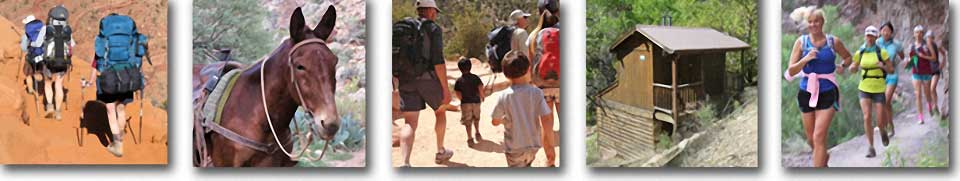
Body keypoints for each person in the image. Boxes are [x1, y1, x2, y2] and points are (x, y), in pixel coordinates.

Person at [785, 8, 853, 167]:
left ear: (822, 22)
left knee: (818, 137)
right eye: (810, 22)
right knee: (812, 140)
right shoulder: (801, 42)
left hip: (828, 91)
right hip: (807, 91)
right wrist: (805, 59)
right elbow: (791, 70)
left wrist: (843, 66)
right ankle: (823, 159)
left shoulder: (833, 42)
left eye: (816, 21)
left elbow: (848, 57)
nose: (813, 24)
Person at [397, 0, 453, 167]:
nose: (435, 15)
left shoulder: (405, 28)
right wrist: (445, 89)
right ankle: (440, 151)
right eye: (435, 11)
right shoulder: (433, 29)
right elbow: (438, 61)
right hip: (428, 79)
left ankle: (405, 163)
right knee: (440, 111)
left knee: (409, 122)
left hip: (406, 79)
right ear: (429, 10)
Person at [490, 51, 551, 167]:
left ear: (505, 74)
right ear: (529, 69)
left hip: (514, 148)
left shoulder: (504, 96)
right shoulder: (537, 93)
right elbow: (546, 117)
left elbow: (495, 121)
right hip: (533, 145)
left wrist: (504, 120)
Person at [848, 26, 892, 158]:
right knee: (867, 116)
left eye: (872, 36)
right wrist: (852, 68)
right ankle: (871, 147)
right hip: (864, 87)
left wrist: (883, 66)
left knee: (879, 121)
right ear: (865, 37)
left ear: (876, 37)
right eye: (867, 35)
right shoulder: (860, 52)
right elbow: (853, 67)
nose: (869, 38)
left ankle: (883, 131)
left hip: (879, 88)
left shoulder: (881, 52)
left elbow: (891, 70)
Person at [40, 5, 75, 120]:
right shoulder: (67, 29)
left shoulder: (46, 29)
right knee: (59, 85)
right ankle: (58, 111)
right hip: (63, 62)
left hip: (48, 62)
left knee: (48, 83)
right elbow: (72, 45)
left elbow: (38, 43)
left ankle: (50, 106)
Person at [876, 21, 903, 137]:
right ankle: (888, 125)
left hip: (892, 75)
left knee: (886, 100)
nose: (885, 33)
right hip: (879, 75)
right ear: (880, 31)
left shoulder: (896, 44)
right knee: (883, 103)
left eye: (888, 30)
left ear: (891, 32)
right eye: (883, 30)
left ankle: (888, 126)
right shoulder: (877, 42)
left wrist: (896, 61)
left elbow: (902, 56)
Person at [906, 25, 936, 124]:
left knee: (927, 93)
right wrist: (909, 61)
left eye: (921, 32)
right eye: (917, 32)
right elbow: (910, 59)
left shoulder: (927, 45)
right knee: (918, 94)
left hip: (926, 72)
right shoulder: (911, 46)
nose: (919, 34)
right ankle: (920, 117)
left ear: (923, 34)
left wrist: (924, 56)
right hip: (916, 72)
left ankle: (929, 104)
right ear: (914, 34)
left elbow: (934, 58)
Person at [454, 57, 484, 145]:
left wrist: (462, 100)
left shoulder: (459, 81)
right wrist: (482, 96)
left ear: (459, 68)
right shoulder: (476, 78)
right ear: (470, 66)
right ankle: (477, 132)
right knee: (476, 118)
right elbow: (480, 87)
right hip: (476, 102)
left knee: (468, 121)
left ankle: (470, 138)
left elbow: (457, 93)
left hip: (465, 103)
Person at [20, 15, 44, 95]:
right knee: (40, 72)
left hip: (31, 56)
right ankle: (41, 87)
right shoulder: (42, 31)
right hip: (42, 55)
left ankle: (30, 90)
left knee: (28, 74)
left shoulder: (26, 35)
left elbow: (23, 48)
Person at [925, 31, 944, 119]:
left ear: (933, 38)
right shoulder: (925, 47)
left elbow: (944, 54)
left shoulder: (936, 45)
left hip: (936, 69)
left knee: (932, 88)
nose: (929, 39)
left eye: (931, 37)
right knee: (929, 90)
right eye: (928, 38)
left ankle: (935, 105)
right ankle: (932, 105)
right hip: (927, 70)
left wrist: (942, 64)